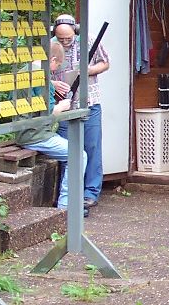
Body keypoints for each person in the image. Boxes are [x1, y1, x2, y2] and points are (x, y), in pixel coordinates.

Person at [14, 40, 88, 217]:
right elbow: (47, 112)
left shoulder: (25, 71)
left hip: (24, 130)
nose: (55, 70)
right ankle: (66, 206)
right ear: (52, 59)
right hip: (35, 134)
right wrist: (62, 106)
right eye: (57, 65)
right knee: (79, 155)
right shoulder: (41, 77)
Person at [51, 14, 109, 208]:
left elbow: (105, 62)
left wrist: (88, 70)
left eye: (68, 38)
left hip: (89, 102)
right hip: (63, 105)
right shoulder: (50, 45)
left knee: (92, 147)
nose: (65, 42)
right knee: (67, 149)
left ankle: (90, 192)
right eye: (61, 38)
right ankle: (68, 193)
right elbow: (38, 71)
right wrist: (52, 84)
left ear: (75, 31)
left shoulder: (90, 40)